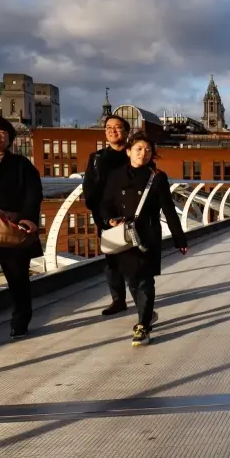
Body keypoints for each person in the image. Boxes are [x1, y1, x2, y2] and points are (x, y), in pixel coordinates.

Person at [100, 132, 188, 347]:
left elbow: (168, 209)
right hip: (123, 235)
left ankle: (143, 325)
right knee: (131, 278)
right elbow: (106, 202)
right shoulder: (116, 175)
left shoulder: (157, 177)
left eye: (148, 150)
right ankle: (146, 313)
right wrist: (109, 219)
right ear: (129, 151)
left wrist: (179, 239)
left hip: (147, 234)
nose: (144, 153)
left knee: (145, 279)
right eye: (139, 149)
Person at [0, 114, 43, 339]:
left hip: (11, 229)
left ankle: (20, 322)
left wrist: (28, 218)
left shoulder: (20, 164)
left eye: (1, 132)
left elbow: (33, 192)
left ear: (10, 138)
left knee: (17, 280)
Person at [83, 114, 131, 316]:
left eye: (118, 127)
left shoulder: (134, 153)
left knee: (137, 259)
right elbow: (90, 189)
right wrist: (102, 217)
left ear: (127, 132)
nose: (113, 130)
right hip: (106, 216)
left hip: (132, 215)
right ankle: (118, 299)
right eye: (109, 128)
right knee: (112, 259)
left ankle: (142, 297)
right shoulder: (97, 158)